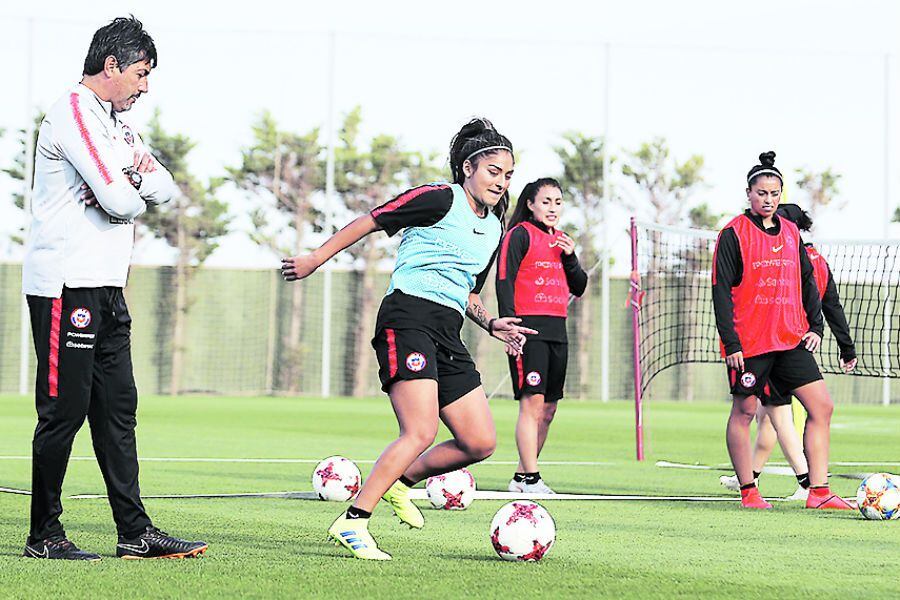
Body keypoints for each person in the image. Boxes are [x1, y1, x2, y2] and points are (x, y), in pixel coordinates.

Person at [282, 118, 532, 560]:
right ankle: (354, 521)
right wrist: (315, 258)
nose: (501, 182)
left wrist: (491, 324)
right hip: (408, 316)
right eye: (494, 171)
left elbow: (468, 290)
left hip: (448, 330)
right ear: (469, 167)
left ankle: (399, 483)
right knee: (419, 430)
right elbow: (372, 220)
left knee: (480, 442)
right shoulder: (439, 198)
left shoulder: (494, 226)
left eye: (508, 175)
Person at [21, 16, 208, 561]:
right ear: (111, 66)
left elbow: (163, 188)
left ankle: (135, 533)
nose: (145, 86)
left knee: (118, 409)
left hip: (107, 288)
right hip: (65, 286)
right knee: (64, 410)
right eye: (141, 73)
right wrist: (127, 183)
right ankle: (44, 536)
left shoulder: (116, 125)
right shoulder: (73, 111)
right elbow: (125, 201)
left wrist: (124, 180)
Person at [711, 151, 852, 510]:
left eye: (774, 194)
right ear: (749, 193)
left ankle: (818, 493)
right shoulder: (732, 234)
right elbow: (721, 291)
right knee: (743, 413)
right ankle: (748, 491)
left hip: (790, 340)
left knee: (822, 407)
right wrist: (731, 343)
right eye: (761, 193)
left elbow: (808, 281)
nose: (768, 200)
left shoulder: (791, 232)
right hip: (750, 343)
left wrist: (815, 326)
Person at [495, 178, 587, 494]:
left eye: (558, 202)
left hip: (557, 331)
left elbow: (580, 286)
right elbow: (504, 278)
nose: (552, 208)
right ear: (531, 204)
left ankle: (522, 477)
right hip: (528, 330)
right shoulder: (519, 234)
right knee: (531, 405)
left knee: (548, 410)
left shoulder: (563, 241)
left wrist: (571, 257)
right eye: (546, 201)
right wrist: (509, 328)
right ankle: (532, 479)